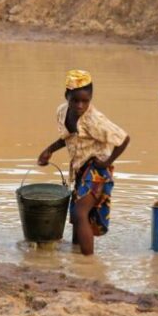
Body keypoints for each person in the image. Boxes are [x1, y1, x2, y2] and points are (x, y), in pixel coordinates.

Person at [38, 70, 130, 255]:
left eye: (85, 101)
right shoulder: (62, 112)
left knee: (80, 213)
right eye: (75, 100)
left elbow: (124, 139)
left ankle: (88, 263)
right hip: (80, 169)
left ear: (90, 99)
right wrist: (49, 150)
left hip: (97, 170)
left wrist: (107, 162)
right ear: (67, 96)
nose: (80, 105)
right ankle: (76, 256)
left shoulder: (94, 120)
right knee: (78, 216)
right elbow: (68, 137)